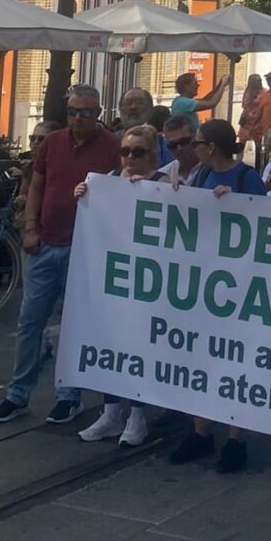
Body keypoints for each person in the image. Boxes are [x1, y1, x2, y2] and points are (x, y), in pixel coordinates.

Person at [0, 86, 119, 425]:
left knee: (73, 324)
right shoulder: (53, 142)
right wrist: (30, 228)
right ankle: (18, 394)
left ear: (99, 113)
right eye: (73, 111)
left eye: (86, 112)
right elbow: (37, 186)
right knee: (30, 321)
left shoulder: (112, 147)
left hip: (84, 248)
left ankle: (68, 395)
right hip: (45, 243)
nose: (78, 118)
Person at [169, 120, 267, 474]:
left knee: (233, 361)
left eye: (197, 143)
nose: (192, 149)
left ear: (211, 146)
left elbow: (265, 218)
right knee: (200, 358)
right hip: (204, 284)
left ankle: (235, 438)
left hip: (237, 285)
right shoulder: (198, 177)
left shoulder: (246, 178)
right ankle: (201, 432)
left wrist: (236, 204)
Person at [73, 124, 169, 447]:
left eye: (138, 152)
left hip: (145, 281)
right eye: (125, 151)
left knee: (138, 346)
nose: (129, 157)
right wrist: (83, 197)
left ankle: (137, 415)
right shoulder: (106, 181)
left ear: (151, 154)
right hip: (112, 277)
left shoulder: (162, 183)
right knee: (109, 342)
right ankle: (111, 411)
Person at [159, 115, 202, 187]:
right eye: (173, 145)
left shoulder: (212, 170)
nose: (179, 148)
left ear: (195, 137)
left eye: (183, 141)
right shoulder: (163, 175)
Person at [236, 73, 264, 153]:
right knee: (242, 142)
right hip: (246, 121)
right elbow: (244, 105)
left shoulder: (264, 92)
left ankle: (258, 162)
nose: (257, 83)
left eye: (258, 81)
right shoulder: (247, 92)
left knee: (258, 143)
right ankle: (238, 160)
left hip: (258, 121)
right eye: (255, 81)